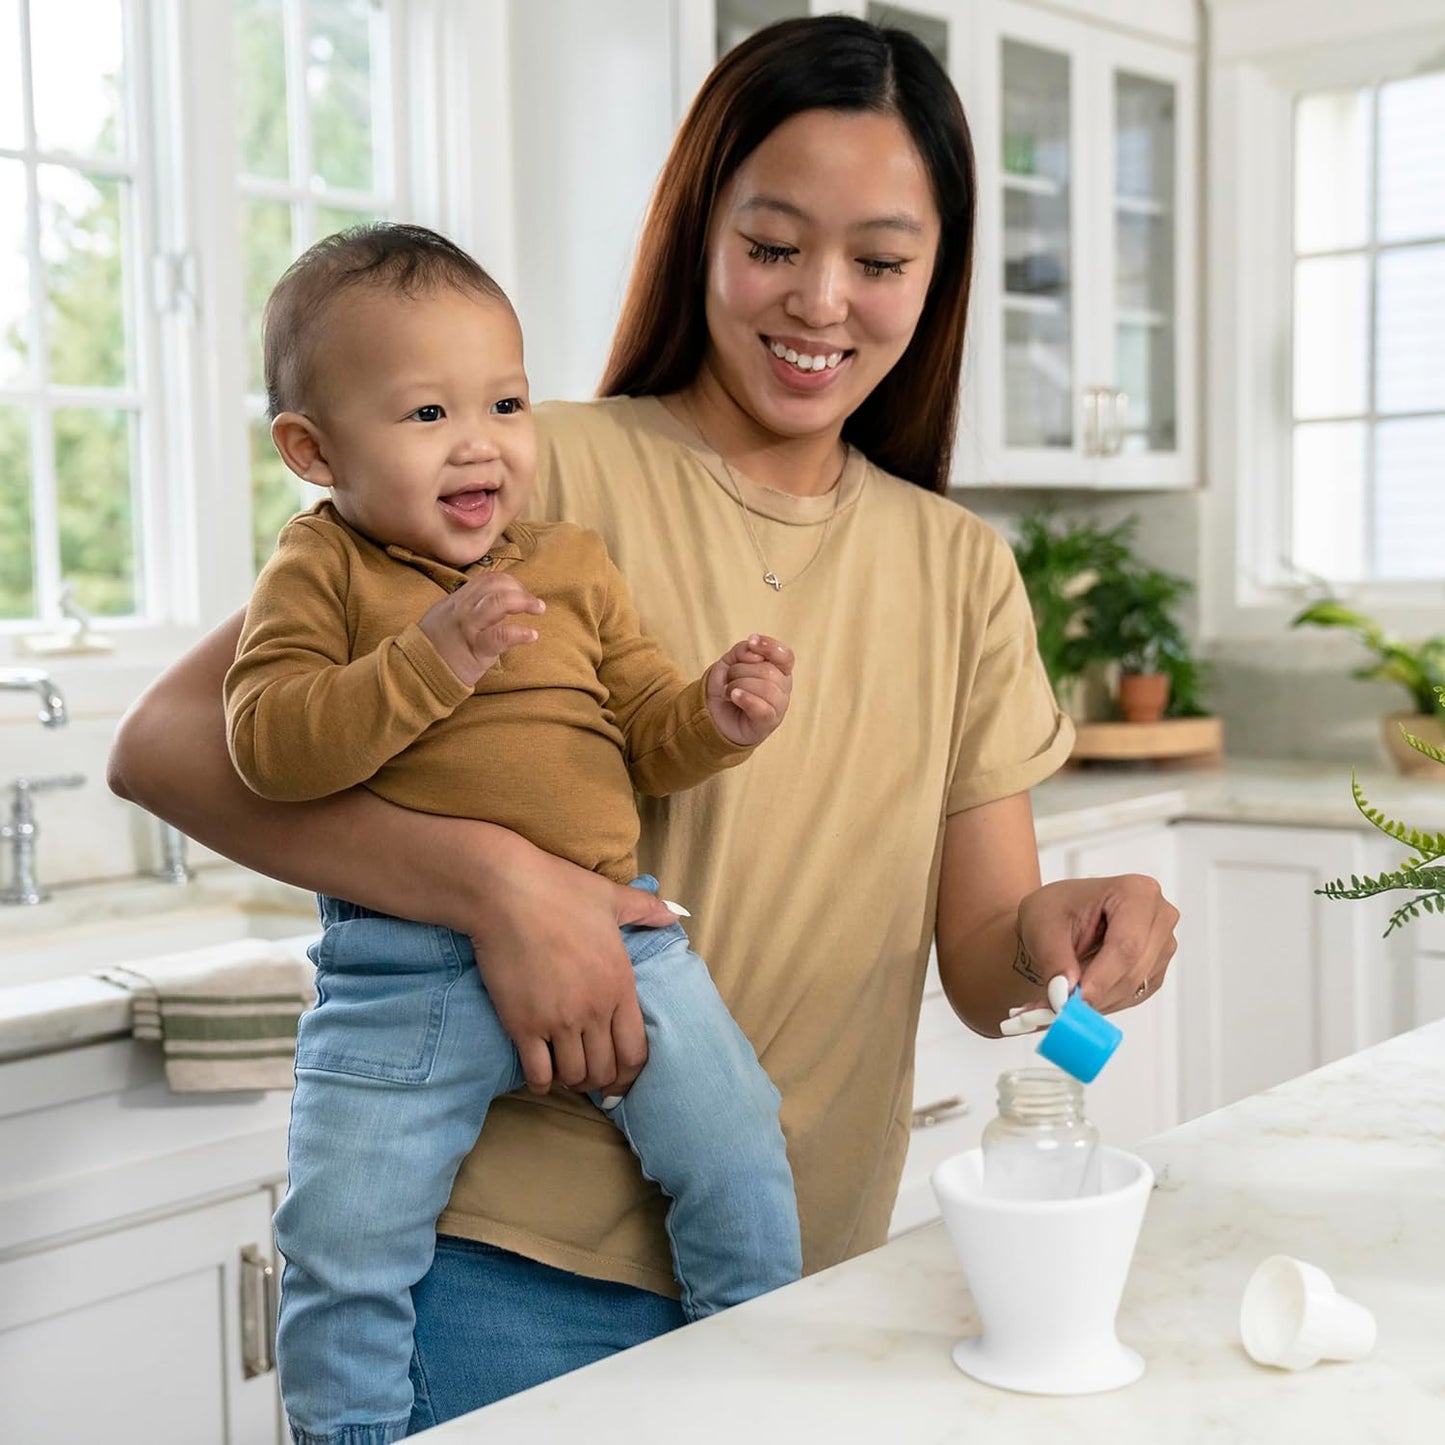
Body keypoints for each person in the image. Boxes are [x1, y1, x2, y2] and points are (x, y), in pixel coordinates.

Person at [108, 14, 1181, 1435]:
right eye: (773, 243)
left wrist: (1064, 928)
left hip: (793, 1273)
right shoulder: (522, 461)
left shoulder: (961, 568)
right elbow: (169, 744)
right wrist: (504, 889)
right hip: (514, 1274)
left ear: (937, 277)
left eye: (879, 260)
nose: (820, 302)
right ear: (697, 231)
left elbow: (987, 978)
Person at [227, 222, 802, 1445]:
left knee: (739, 1141)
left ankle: (757, 1370)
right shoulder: (318, 568)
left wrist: (715, 712)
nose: (479, 439)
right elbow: (268, 743)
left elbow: (645, 732)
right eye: (426, 414)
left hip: (621, 940)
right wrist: (431, 660)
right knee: (339, 1237)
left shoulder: (571, 563)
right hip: (398, 973)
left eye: (502, 399)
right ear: (311, 449)